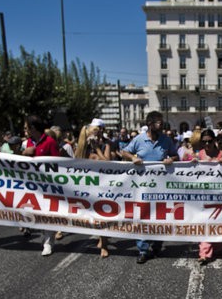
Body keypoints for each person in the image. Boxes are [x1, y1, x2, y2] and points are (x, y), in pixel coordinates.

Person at [120, 111, 178, 263]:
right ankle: (143, 249)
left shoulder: (166, 140)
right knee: (142, 215)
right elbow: (124, 151)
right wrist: (133, 157)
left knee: (159, 216)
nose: (162, 125)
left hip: (161, 187)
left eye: (162, 122)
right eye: (159, 122)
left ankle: (157, 245)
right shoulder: (139, 139)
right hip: (141, 187)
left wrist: (170, 159)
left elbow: (176, 155)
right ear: (150, 124)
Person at [23, 114, 61, 255]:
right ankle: (45, 235)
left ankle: (48, 241)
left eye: (27, 128)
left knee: (47, 212)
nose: (25, 130)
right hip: (33, 184)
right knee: (36, 212)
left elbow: (58, 164)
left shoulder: (50, 142)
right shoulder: (28, 143)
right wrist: (25, 153)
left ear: (33, 128)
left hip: (47, 184)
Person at [75, 120, 113, 258]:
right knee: (94, 216)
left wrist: (99, 148)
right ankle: (102, 238)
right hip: (88, 187)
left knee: (102, 215)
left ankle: (104, 244)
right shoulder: (81, 151)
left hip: (103, 187)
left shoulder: (104, 146)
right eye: (94, 134)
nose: (96, 137)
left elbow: (108, 164)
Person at [194, 128, 222, 264]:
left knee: (217, 223)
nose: (207, 144)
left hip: (219, 194)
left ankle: (217, 246)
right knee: (204, 223)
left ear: (214, 141)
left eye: (209, 141)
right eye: (204, 142)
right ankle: (204, 252)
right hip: (203, 196)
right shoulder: (200, 154)